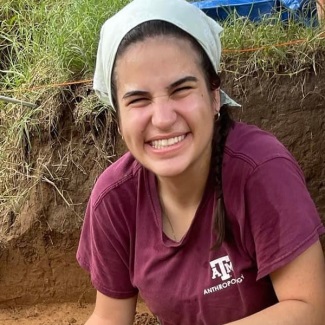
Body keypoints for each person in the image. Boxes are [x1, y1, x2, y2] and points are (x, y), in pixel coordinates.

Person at [76, 0, 325, 324]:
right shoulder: (114, 199)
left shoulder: (260, 171)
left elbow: (310, 308)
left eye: (181, 90)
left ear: (213, 97)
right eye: (138, 100)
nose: (163, 119)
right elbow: (109, 318)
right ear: (120, 121)